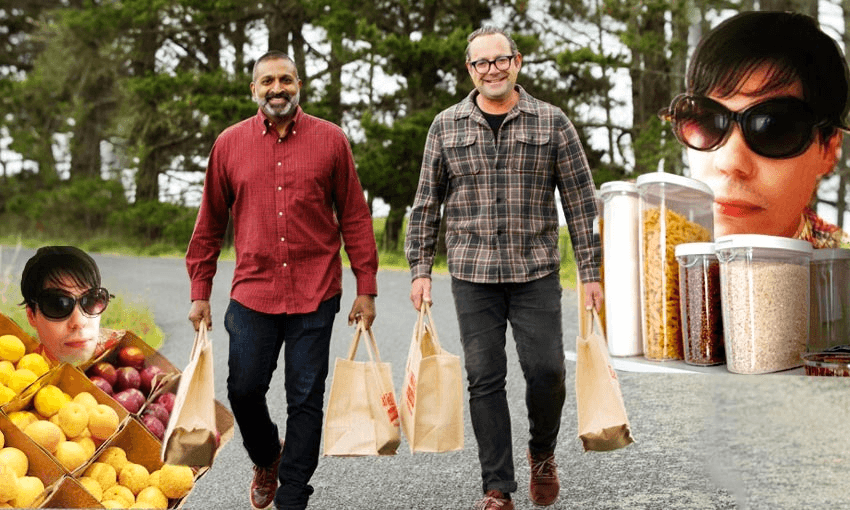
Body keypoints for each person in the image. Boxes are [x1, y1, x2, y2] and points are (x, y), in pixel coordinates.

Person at [405, 26, 603, 510]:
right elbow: (426, 204)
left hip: (535, 269)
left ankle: (542, 453)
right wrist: (419, 268)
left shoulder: (552, 122)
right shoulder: (446, 126)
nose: (491, 70)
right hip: (473, 274)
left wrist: (590, 272)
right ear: (470, 70)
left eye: (500, 60)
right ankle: (497, 487)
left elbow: (579, 200)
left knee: (547, 371)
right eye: (481, 63)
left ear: (517, 62)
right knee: (484, 377)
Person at [185, 50, 378, 510]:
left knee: (306, 397)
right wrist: (200, 293)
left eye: (286, 80)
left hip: (317, 291)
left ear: (299, 85)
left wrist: (365, 288)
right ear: (254, 89)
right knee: (243, 389)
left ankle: (293, 494)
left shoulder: (331, 140)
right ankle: (267, 457)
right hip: (253, 291)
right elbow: (209, 223)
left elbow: (354, 215)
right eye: (267, 81)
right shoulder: (229, 144)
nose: (277, 88)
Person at [661, 11, 850, 247]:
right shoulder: (630, 262)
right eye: (707, 122)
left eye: (773, 130)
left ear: (829, 149)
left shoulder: (842, 273)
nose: (729, 163)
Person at [20, 246, 120, 366]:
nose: (79, 322)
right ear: (31, 316)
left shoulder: (124, 357)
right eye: (58, 305)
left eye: (90, 301)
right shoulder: (17, 375)